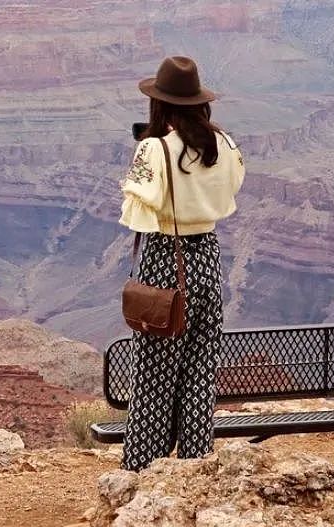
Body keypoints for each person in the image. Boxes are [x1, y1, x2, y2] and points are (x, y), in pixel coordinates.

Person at [118, 56, 246, 472]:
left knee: (156, 372)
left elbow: (136, 212)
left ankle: (142, 470)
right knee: (199, 369)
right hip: (208, 257)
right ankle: (193, 466)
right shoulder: (224, 144)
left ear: (160, 104)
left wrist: (149, 148)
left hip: (165, 259)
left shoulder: (153, 149)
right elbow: (232, 190)